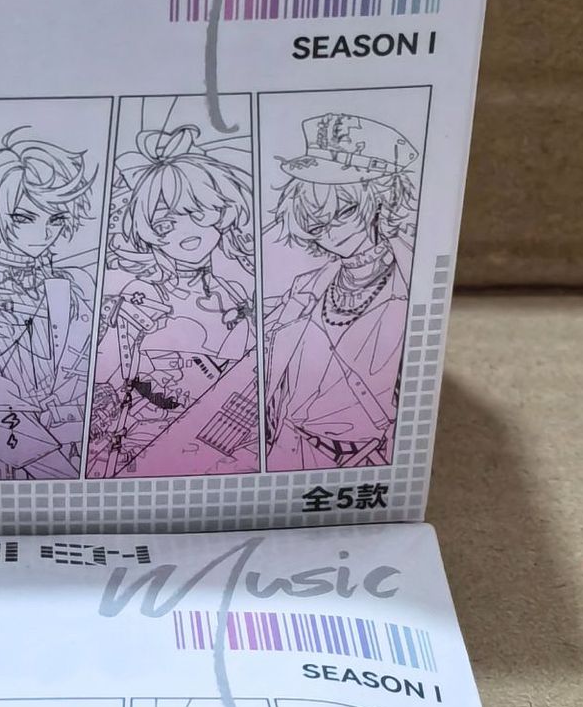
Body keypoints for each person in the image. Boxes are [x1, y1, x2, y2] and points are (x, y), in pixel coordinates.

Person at [88, 111, 259, 477]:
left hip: (229, 454)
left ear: (223, 213)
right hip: (144, 455)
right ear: (145, 229)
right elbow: (104, 385)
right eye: (166, 222)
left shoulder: (238, 293)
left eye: (199, 213)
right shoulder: (139, 297)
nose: (187, 231)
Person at [262, 112, 419, 470]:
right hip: (287, 451)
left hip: (365, 463)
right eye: (316, 223)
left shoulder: (411, 284)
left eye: (344, 211)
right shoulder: (306, 288)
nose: (330, 231)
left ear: (382, 198)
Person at [0, 127, 98, 478]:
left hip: (73, 449)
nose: (43, 233)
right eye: (24, 217)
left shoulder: (75, 286)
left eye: (56, 219)